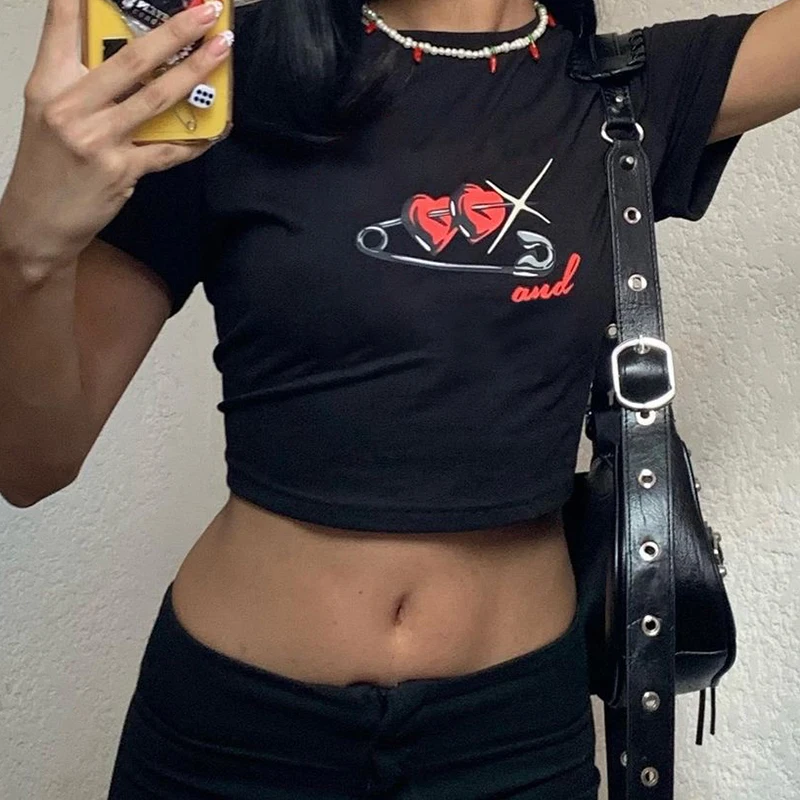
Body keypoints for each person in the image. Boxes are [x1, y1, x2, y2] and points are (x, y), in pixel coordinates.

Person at [0, 0, 797, 797]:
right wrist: (27, 248)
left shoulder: (618, 91)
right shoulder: (225, 76)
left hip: (511, 742)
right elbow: (29, 464)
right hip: (235, 735)